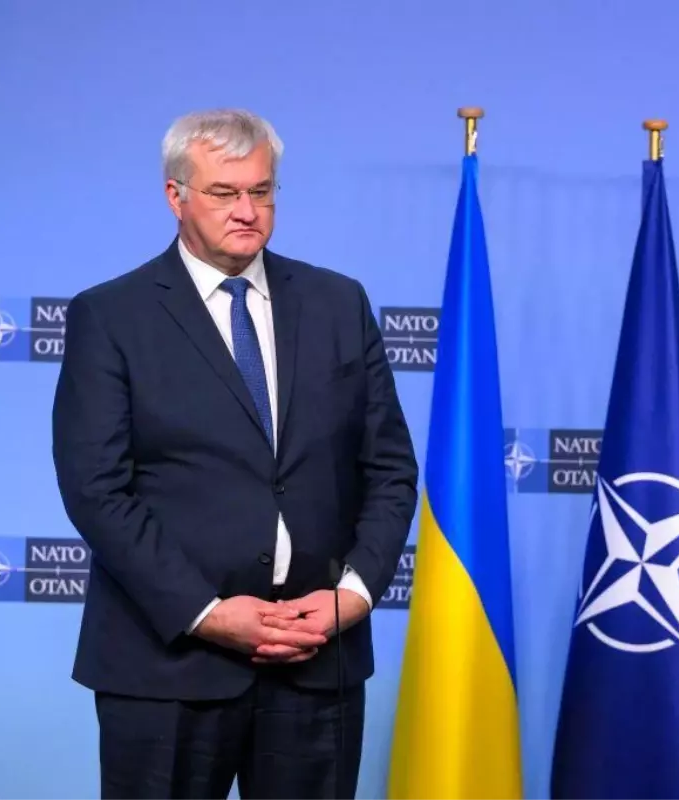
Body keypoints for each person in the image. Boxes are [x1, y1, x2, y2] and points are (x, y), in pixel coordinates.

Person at [51, 108, 419, 800]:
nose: (247, 211)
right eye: (224, 192)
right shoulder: (112, 315)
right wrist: (207, 613)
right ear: (176, 196)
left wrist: (351, 596)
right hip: (167, 666)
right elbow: (97, 489)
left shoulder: (339, 303)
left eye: (262, 190)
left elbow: (391, 470)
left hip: (317, 662)